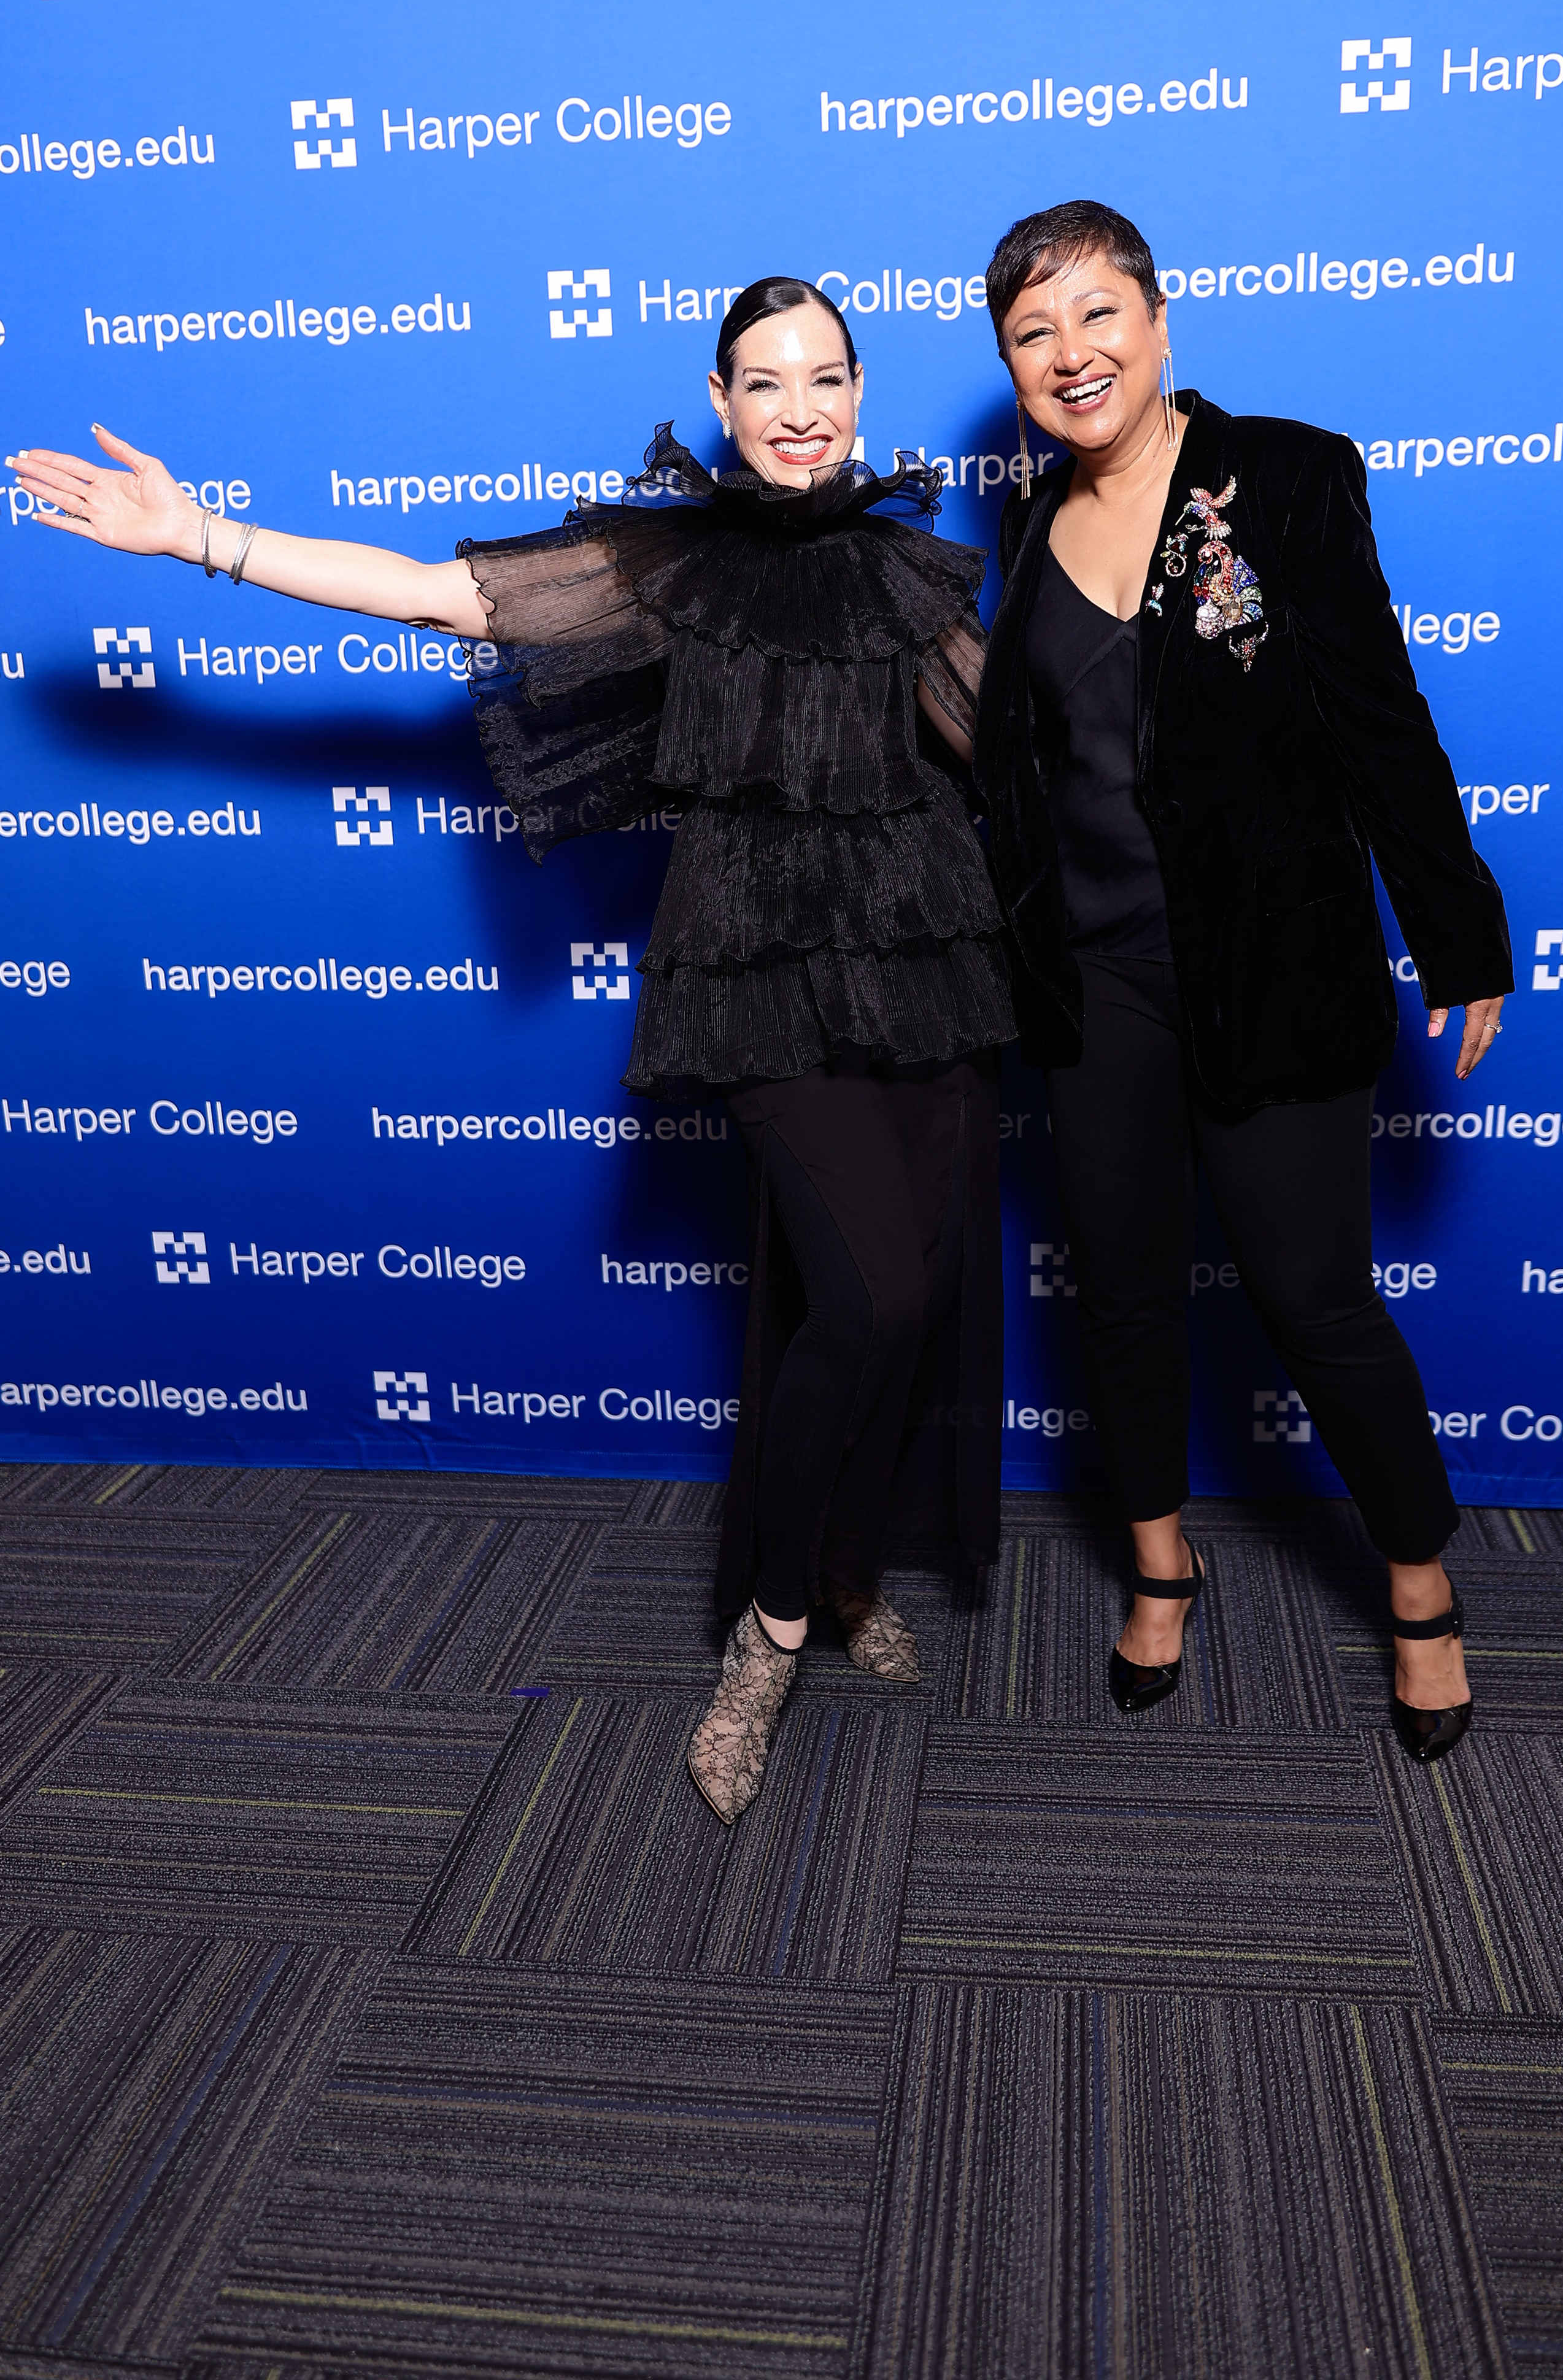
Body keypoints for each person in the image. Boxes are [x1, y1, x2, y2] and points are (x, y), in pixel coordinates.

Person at [6, 277, 1013, 1820]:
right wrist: (204, 538)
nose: (800, 406)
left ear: (862, 393)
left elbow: (1034, 751)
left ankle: (844, 1560)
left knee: (904, 1295)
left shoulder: (912, 575)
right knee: (866, 1294)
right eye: (766, 381)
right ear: (725, 403)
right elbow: (433, 593)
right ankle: (772, 1633)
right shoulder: (666, 561)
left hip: (927, 970)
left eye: (825, 376)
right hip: (755, 975)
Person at [973, 202, 1513, 1764]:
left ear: (1158, 313)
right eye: (1032, 333)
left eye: (1095, 314)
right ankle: (1161, 1566)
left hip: (1273, 968)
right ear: (1009, 362)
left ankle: (1421, 1591)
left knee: (1314, 1298)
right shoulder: (1027, 524)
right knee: (1127, 1292)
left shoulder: (1280, 473)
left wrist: (1455, 921)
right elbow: (1032, 760)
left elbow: (1375, 711)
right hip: (1094, 986)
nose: (1072, 355)